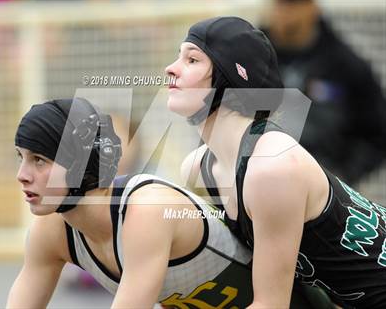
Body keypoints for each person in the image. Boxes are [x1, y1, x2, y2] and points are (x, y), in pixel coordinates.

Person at [165, 16, 386, 309]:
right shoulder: (198, 167)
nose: (171, 68)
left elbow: (271, 304)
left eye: (192, 60)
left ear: (229, 79)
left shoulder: (272, 166)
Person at [7, 97, 265, 309]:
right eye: (22, 157)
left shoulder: (147, 209)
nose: (22, 175)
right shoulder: (50, 230)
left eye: (39, 159)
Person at [262, 0, 386, 185]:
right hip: (257, 179)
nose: (285, 12)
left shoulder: (346, 66)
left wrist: (342, 176)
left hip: (323, 187)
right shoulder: (250, 59)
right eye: (280, 4)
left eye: (293, 4)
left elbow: (376, 132)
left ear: (312, 7)